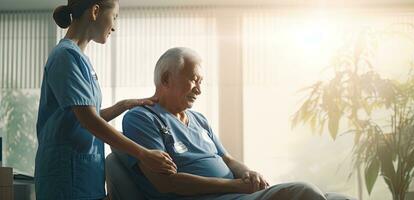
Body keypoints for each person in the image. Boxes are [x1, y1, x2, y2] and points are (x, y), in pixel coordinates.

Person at [121, 47, 343, 200]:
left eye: (201, 82)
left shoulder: (199, 119)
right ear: (167, 79)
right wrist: (235, 186)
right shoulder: (141, 118)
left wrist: (248, 173)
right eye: (193, 80)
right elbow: (165, 183)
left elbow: (227, 159)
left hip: (237, 193)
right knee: (303, 192)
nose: (199, 90)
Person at [34, 0, 177, 199]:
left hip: (85, 176)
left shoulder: (80, 58)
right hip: (66, 178)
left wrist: (124, 105)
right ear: (95, 11)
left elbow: (81, 119)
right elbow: (89, 121)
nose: (114, 26)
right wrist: (144, 154)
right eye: (115, 17)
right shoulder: (66, 56)